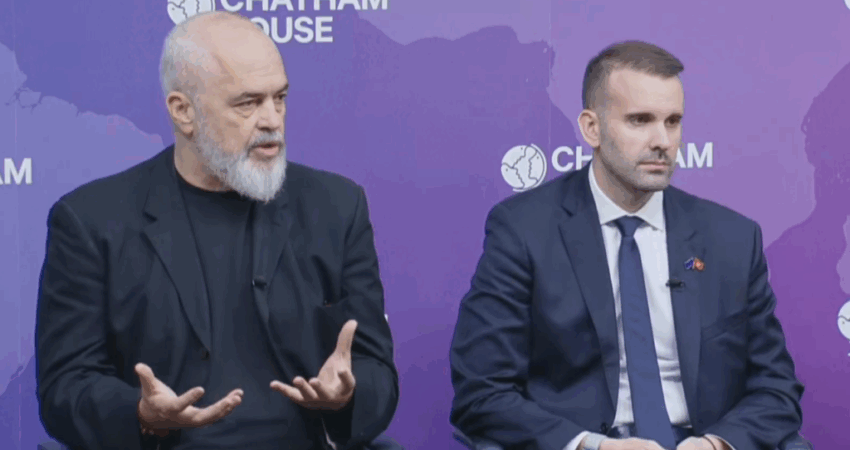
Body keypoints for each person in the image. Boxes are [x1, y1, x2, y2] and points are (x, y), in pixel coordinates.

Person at [35, 11, 398, 450]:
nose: (272, 120)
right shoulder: (91, 221)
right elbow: (65, 386)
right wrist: (143, 415)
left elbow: (376, 370)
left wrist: (345, 396)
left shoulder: (336, 207)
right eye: (248, 103)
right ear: (183, 111)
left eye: (279, 98)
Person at [449, 41, 803, 450]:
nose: (662, 140)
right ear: (591, 128)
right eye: (640, 120)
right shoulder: (523, 230)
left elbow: (776, 387)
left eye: (673, 121)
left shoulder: (732, 238)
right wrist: (591, 446)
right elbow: (483, 392)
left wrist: (716, 444)